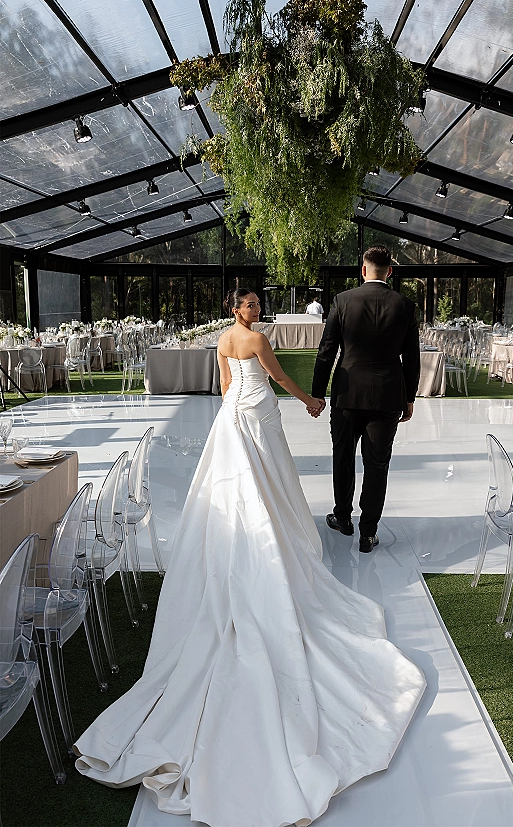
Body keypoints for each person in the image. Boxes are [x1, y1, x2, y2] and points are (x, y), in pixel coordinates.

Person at [74, 289, 425, 826]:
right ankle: (290, 535)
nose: (255, 312)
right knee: (266, 482)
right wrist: (308, 400)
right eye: (250, 305)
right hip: (256, 413)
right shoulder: (258, 340)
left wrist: (236, 409)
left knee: (246, 485)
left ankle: (265, 530)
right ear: (239, 309)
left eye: (257, 306)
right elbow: (278, 377)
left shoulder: (224, 338)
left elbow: (223, 383)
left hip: (235, 415)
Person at [312, 245, 420, 553]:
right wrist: (409, 396)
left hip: (347, 394)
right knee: (377, 464)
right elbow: (412, 358)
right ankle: (368, 532)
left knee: (343, 456)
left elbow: (327, 351)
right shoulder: (405, 305)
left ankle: (343, 517)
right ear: (389, 271)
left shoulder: (342, 301)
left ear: (363, 270)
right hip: (388, 397)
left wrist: (317, 394)